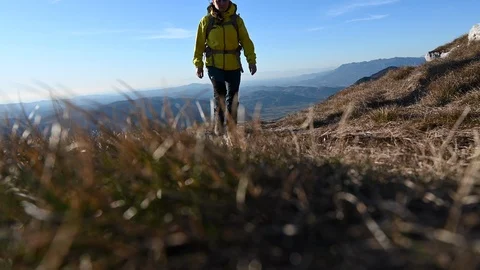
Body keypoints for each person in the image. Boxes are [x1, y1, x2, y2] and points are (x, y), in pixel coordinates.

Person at [193, 0, 257, 136]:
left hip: (233, 64)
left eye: (224, 0)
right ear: (212, 1)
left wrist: (251, 60)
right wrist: (198, 64)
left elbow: (246, 41)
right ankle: (219, 129)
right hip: (213, 65)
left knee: (233, 97)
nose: (221, 3)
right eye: (218, 0)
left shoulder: (236, 21)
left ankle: (232, 129)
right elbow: (199, 45)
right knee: (220, 94)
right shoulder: (206, 21)